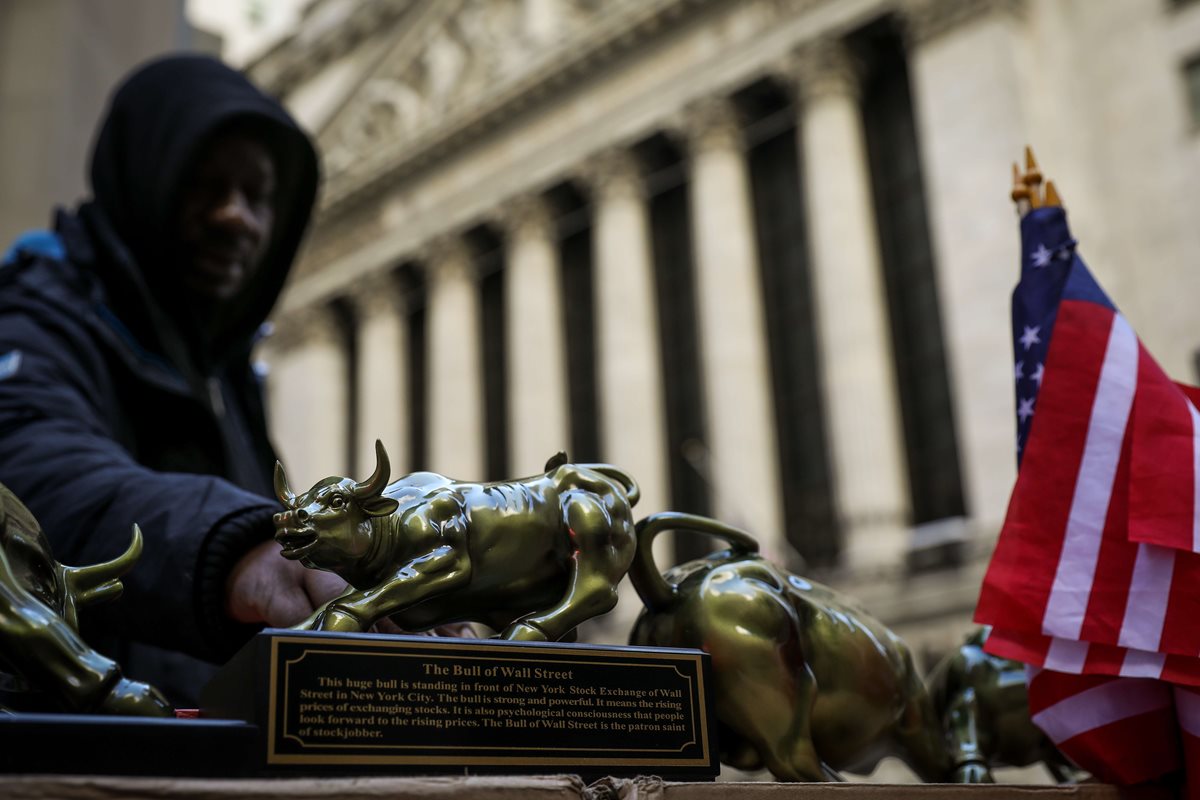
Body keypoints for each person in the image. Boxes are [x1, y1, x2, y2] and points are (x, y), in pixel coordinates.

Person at [0, 54, 345, 705]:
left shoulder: (225, 375)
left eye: (258, 196)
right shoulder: (35, 316)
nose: (236, 216)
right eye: (206, 186)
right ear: (145, 178)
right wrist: (238, 549)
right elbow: (34, 471)